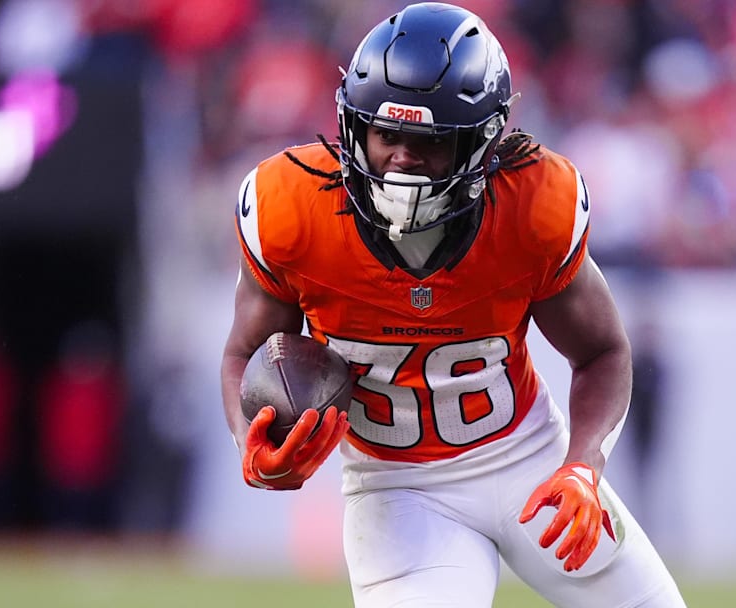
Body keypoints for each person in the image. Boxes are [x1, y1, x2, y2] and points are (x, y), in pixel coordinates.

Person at [220, 3, 687, 606]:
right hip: (398, 489)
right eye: (388, 134)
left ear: (481, 144)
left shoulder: (533, 205)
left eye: (429, 141)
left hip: (528, 458)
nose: (403, 158)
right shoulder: (292, 210)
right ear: (353, 127)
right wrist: (249, 443)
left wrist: (583, 465)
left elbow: (602, 351)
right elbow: (245, 352)